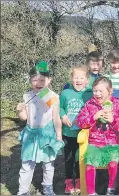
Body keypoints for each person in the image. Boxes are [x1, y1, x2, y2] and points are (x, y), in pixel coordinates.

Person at [16, 61, 64, 195]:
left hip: (46, 135)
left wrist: (59, 136)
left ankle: (47, 187)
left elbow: (55, 117)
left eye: (42, 80)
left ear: (49, 80)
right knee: (27, 164)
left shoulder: (53, 97)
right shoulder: (27, 96)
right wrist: (19, 110)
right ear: (30, 80)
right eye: (34, 80)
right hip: (31, 133)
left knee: (48, 164)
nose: (38, 83)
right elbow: (24, 118)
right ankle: (23, 190)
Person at [76, 77, 119, 195]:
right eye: (95, 91)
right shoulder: (89, 104)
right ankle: (91, 192)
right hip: (94, 142)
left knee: (113, 164)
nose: (97, 94)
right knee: (89, 165)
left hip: (113, 142)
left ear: (110, 91)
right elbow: (80, 122)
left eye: (100, 91)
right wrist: (94, 117)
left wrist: (113, 120)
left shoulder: (118, 104)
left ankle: (111, 188)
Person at [60, 66, 93, 194]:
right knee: (69, 158)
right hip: (68, 133)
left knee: (79, 158)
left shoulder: (89, 93)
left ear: (87, 80)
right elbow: (60, 108)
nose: (78, 80)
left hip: (83, 133)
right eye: (75, 78)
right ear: (71, 79)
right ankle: (69, 180)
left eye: (81, 78)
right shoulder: (65, 93)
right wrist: (63, 116)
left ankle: (79, 180)